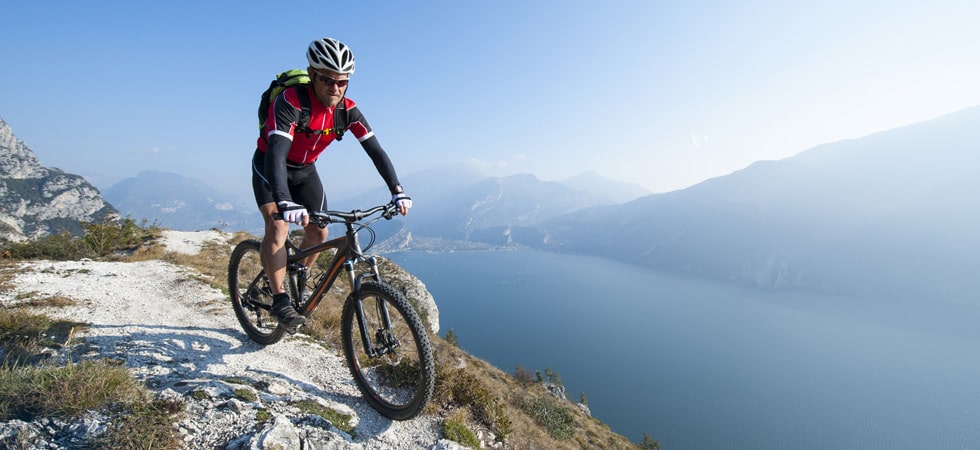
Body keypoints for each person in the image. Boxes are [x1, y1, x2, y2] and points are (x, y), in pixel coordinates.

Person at [252, 37, 412, 331]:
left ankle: (297, 271)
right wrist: (283, 200)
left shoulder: (347, 110)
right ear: (312, 74)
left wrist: (397, 190)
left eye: (342, 82)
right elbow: (276, 153)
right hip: (269, 167)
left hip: (304, 171)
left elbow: (375, 150)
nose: (335, 88)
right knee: (277, 227)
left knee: (319, 232)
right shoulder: (290, 103)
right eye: (327, 80)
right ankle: (280, 300)